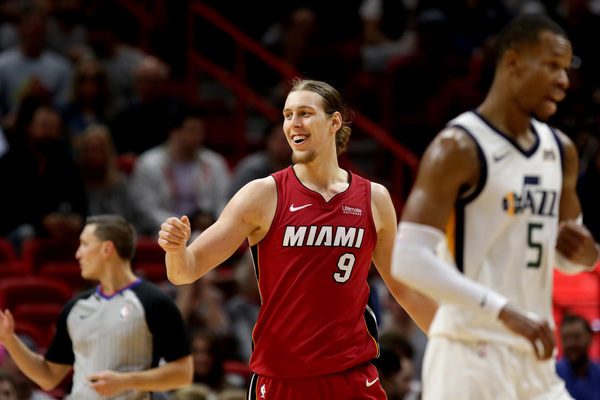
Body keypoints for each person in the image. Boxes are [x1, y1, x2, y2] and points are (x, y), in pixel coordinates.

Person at [158, 78, 438, 399]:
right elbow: (185, 271)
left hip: (352, 376)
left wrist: (457, 342)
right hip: (283, 378)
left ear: (334, 121)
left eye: (305, 113)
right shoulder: (262, 195)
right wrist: (175, 249)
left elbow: (404, 287)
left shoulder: (374, 198)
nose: (293, 123)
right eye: (287, 115)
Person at [390, 13, 600, 400]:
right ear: (512, 62)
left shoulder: (561, 151)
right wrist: (502, 309)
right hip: (470, 353)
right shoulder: (458, 146)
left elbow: (563, 257)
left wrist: (587, 255)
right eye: (552, 65)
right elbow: (407, 258)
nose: (564, 81)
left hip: (534, 355)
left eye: (567, 68)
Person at [0, 215, 193, 399]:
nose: (78, 254)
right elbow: (48, 377)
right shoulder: (75, 307)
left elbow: (183, 373)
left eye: (84, 244)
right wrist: (9, 339)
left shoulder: (155, 302)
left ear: (106, 249)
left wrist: (126, 381)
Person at [129, 103, 231, 237]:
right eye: (192, 131)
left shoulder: (215, 163)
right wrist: (182, 226)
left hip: (208, 233)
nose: (198, 137)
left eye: (200, 131)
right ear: (174, 132)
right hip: (162, 234)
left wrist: (217, 224)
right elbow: (146, 210)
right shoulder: (148, 164)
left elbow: (224, 202)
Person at [227, 121, 292, 199]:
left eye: (287, 139)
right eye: (278, 139)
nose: (282, 145)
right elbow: (235, 201)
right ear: (267, 140)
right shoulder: (251, 169)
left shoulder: (302, 169)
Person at [556, 314, 600, 400]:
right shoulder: (553, 375)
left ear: (590, 338)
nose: (571, 344)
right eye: (566, 338)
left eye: (577, 337)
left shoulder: (598, 372)